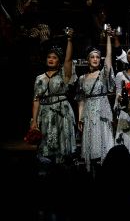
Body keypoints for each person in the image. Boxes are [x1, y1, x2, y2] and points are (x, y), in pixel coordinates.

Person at [30, 29, 77, 164]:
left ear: (59, 61)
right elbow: (36, 100)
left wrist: (69, 40)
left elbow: (68, 59)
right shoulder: (39, 78)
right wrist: (34, 121)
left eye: (54, 57)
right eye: (49, 57)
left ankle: (62, 168)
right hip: (45, 113)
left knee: (62, 143)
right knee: (46, 143)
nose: (51, 59)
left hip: (62, 111)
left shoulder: (64, 74)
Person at [76, 27, 115, 171]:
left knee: (103, 140)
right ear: (87, 60)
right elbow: (81, 99)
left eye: (97, 57)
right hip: (88, 112)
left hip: (101, 110)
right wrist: (80, 117)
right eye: (92, 57)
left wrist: (109, 39)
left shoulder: (103, 74)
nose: (95, 59)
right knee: (91, 143)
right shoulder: (82, 78)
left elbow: (109, 58)